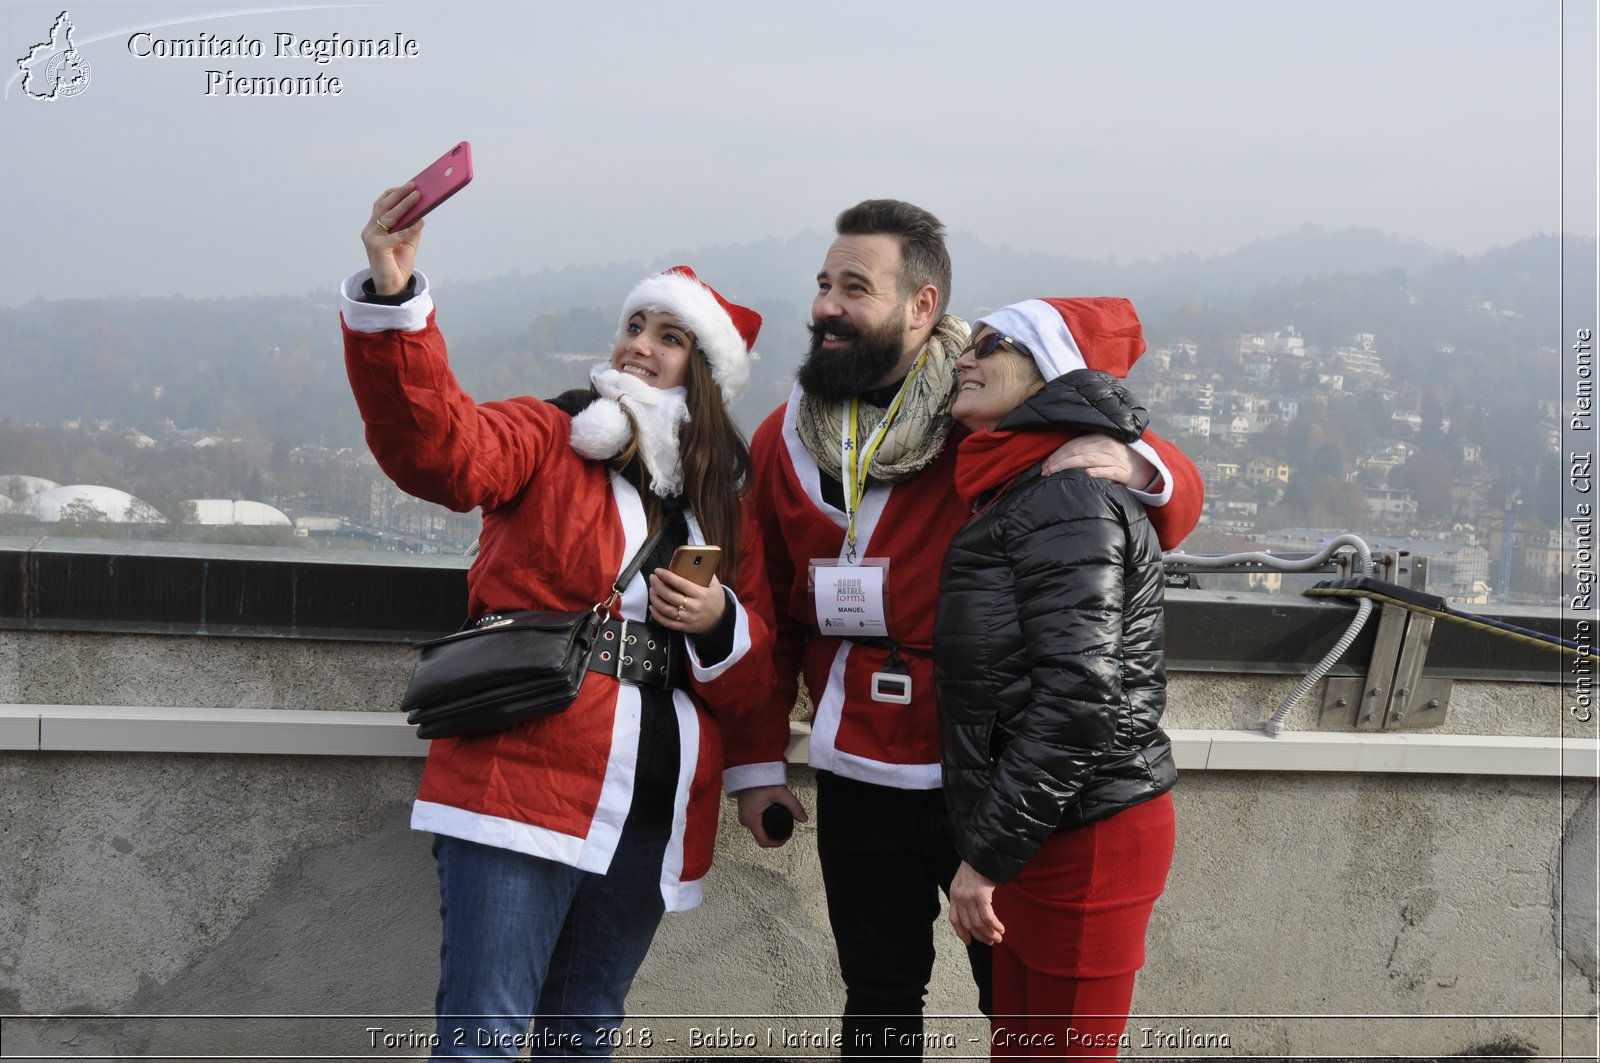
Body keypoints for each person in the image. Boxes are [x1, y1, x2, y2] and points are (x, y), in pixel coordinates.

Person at [721, 200, 1202, 1057]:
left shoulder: (983, 410)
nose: (826, 305)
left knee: (1012, 1009)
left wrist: (1138, 463)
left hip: (979, 770)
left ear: (922, 305)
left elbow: (1161, 491)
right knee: (875, 994)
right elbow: (772, 612)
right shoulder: (782, 437)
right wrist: (758, 766)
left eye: (855, 287)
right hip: (855, 764)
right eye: (824, 285)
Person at [340, 182, 775, 1059]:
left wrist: (722, 620)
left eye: (669, 336)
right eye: (634, 328)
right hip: (520, 779)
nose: (639, 347)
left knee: (583, 1034)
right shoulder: (549, 437)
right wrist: (396, 297)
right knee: (485, 1038)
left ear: (707, 372)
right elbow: (440, 449)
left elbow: (763, 661)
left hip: (652, 801)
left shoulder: (725, 508)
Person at [936, 298, 1177, 1060]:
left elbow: (1080, 703)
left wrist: (984, 858)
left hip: (1087, 834)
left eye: (989, 344)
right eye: (962, 344)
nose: (963, 358)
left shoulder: (1066, 493)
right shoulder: (1020, 484)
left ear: (1047, 366)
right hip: (1044, 824)